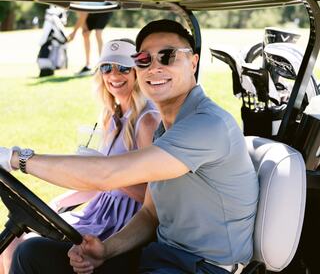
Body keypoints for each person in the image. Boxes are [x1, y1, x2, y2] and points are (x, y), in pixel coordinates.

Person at [0, 19, 259, 274]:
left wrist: (16, 159)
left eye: (167, 56)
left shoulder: (206, 125)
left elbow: (108, 174)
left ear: (193, 63)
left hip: (203, 267)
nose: (154, 68)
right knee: (31, 254)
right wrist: (106, 251)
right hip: (159, 257)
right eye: (144, 59)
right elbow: (149, 214)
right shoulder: (166, 129)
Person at [0, 38, 160, 274]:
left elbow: (154, 197)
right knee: (13, 238)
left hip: (123, 224)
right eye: (107, 67)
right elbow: (98, 184)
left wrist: (107, 172)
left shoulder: (147, 121)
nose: (114, 75)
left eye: (123, 68)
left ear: (137, 72)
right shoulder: (112, 117)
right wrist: (58, 203)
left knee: (24, 247)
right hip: (99, 211)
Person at [68, 10, 113, 75]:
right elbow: (82, 16)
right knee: (85, 33)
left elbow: (83, 14)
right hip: (90, 11)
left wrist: (74, 33)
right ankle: (87, 66)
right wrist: (84, 27)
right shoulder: (76, 4)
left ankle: (102, 65)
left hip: (104, 9)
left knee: (98, 33)